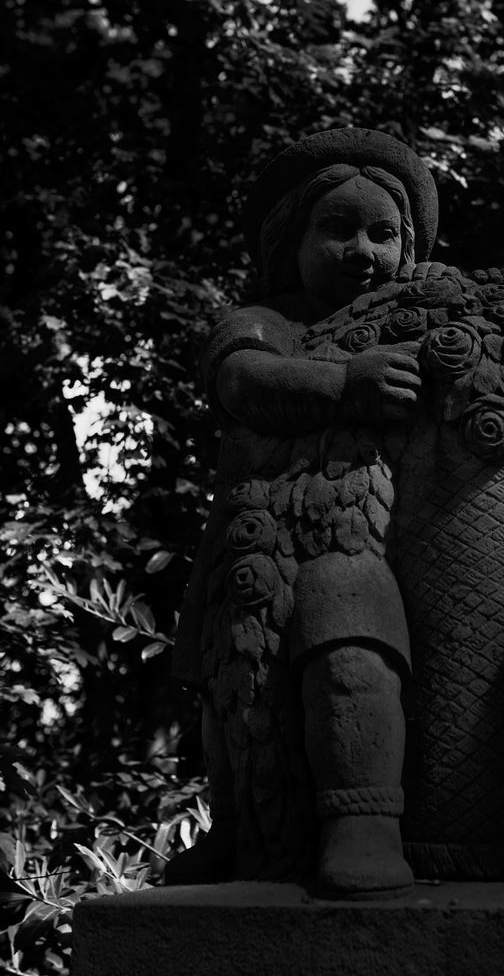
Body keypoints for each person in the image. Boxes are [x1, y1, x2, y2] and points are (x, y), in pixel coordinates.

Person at [168, 128, 438, 896]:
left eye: (383, 234)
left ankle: (364, 822)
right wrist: (344, 383)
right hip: (261, 540)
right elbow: (244, 380)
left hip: (372, 542)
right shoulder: (262, 319)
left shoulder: (417, 325)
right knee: (240, 694)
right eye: (338, 229)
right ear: (293, 238)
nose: (362, 251)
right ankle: (246, 825)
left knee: (354, 654)